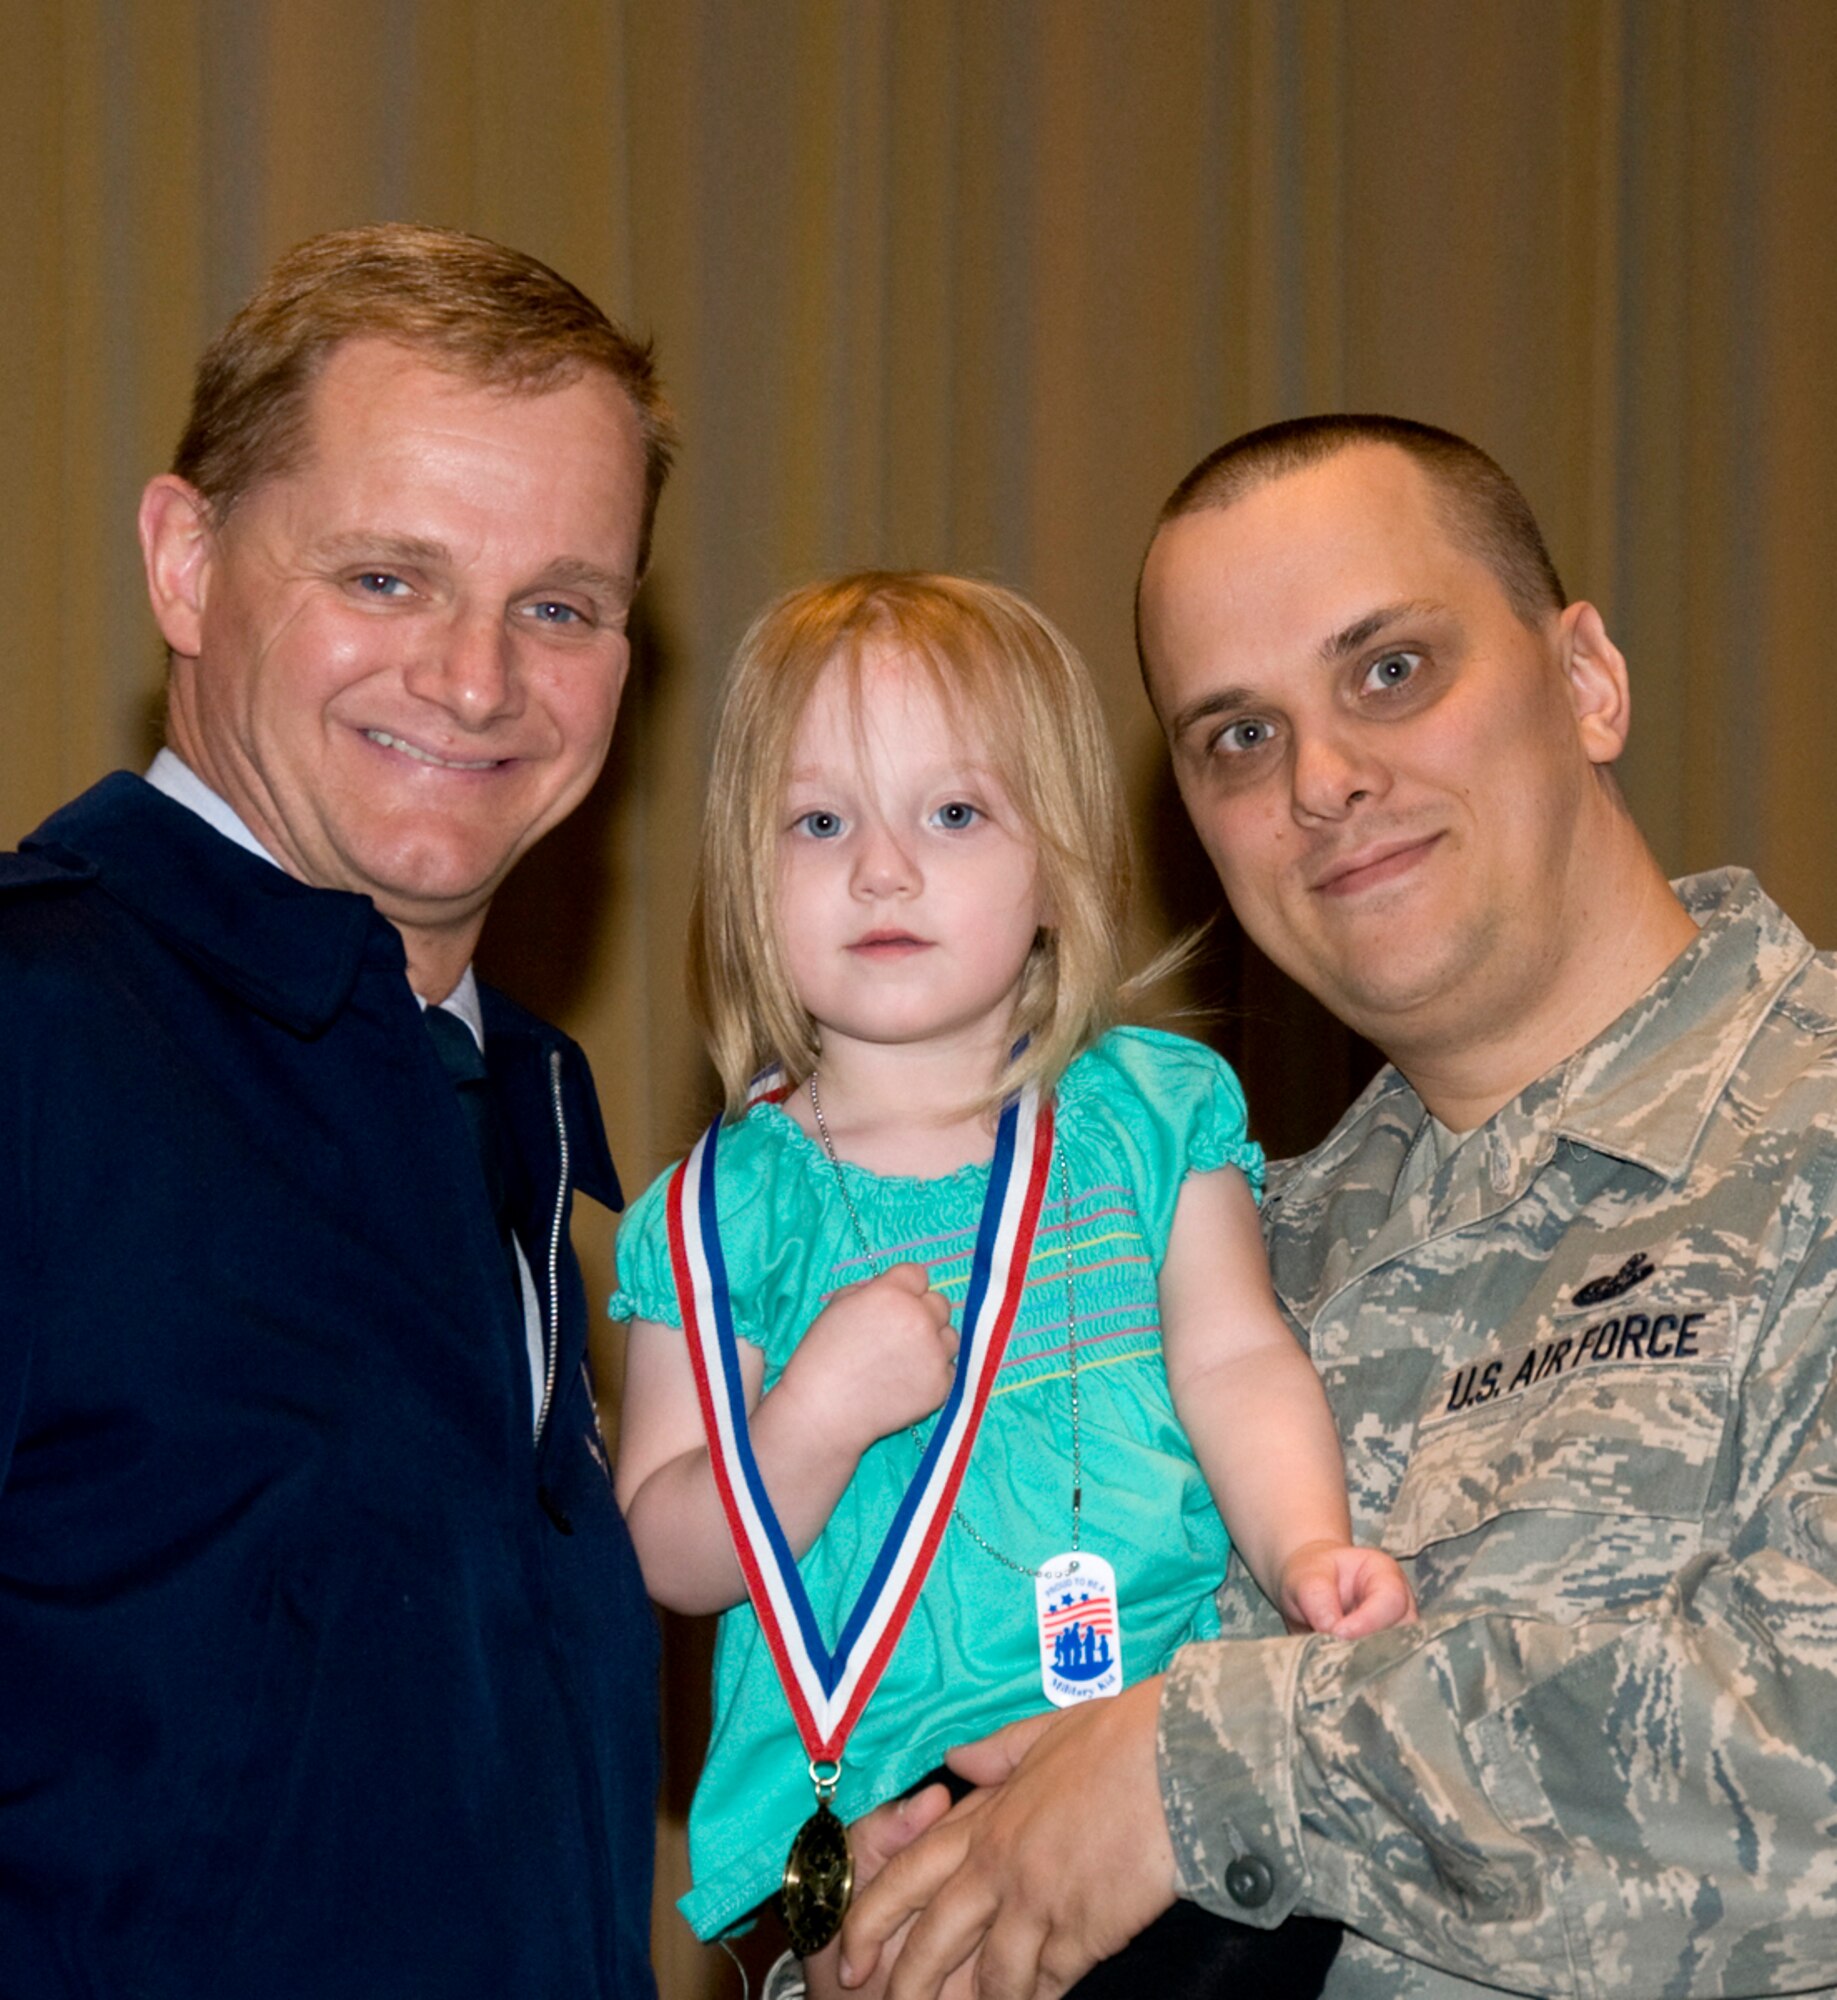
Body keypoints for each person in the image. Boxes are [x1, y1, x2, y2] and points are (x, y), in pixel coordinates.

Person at [837, 417, 1837, 2000]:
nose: (1324, 781)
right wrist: (915, 1910)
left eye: (1389, 671)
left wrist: (1205, 1768)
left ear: (1585, 681)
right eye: (1236, 736)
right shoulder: (1181, 1266)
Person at [0, 223, 676, 1998]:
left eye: (561, 606)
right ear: (184, 563)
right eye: (386, 579)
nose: (474, 680)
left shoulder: (513, 1103)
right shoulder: (31, 1037)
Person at [608, 572, 1413, 1997]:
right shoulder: (718, 1215)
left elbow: (1234, 1358)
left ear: (1055, 866)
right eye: (817, 822)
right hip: (887, 1809)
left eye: (954, 814)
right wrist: (811, 1417)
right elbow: (665, 1553)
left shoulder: (1150, 1118)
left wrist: (1304, 1547)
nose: (881, 871)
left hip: (1159, 1771)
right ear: (744, 871)